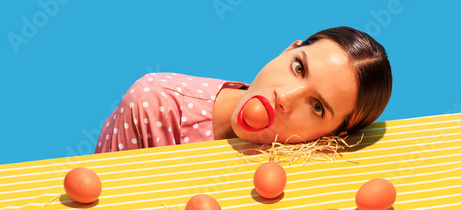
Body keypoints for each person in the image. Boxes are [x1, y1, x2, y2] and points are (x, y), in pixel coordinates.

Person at [94, 26, 392, 154]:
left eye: (317, 107)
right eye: (298, 68)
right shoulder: (153, 102)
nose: (284, 98)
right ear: (289, 49)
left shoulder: (306, 157)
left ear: (332, 136)